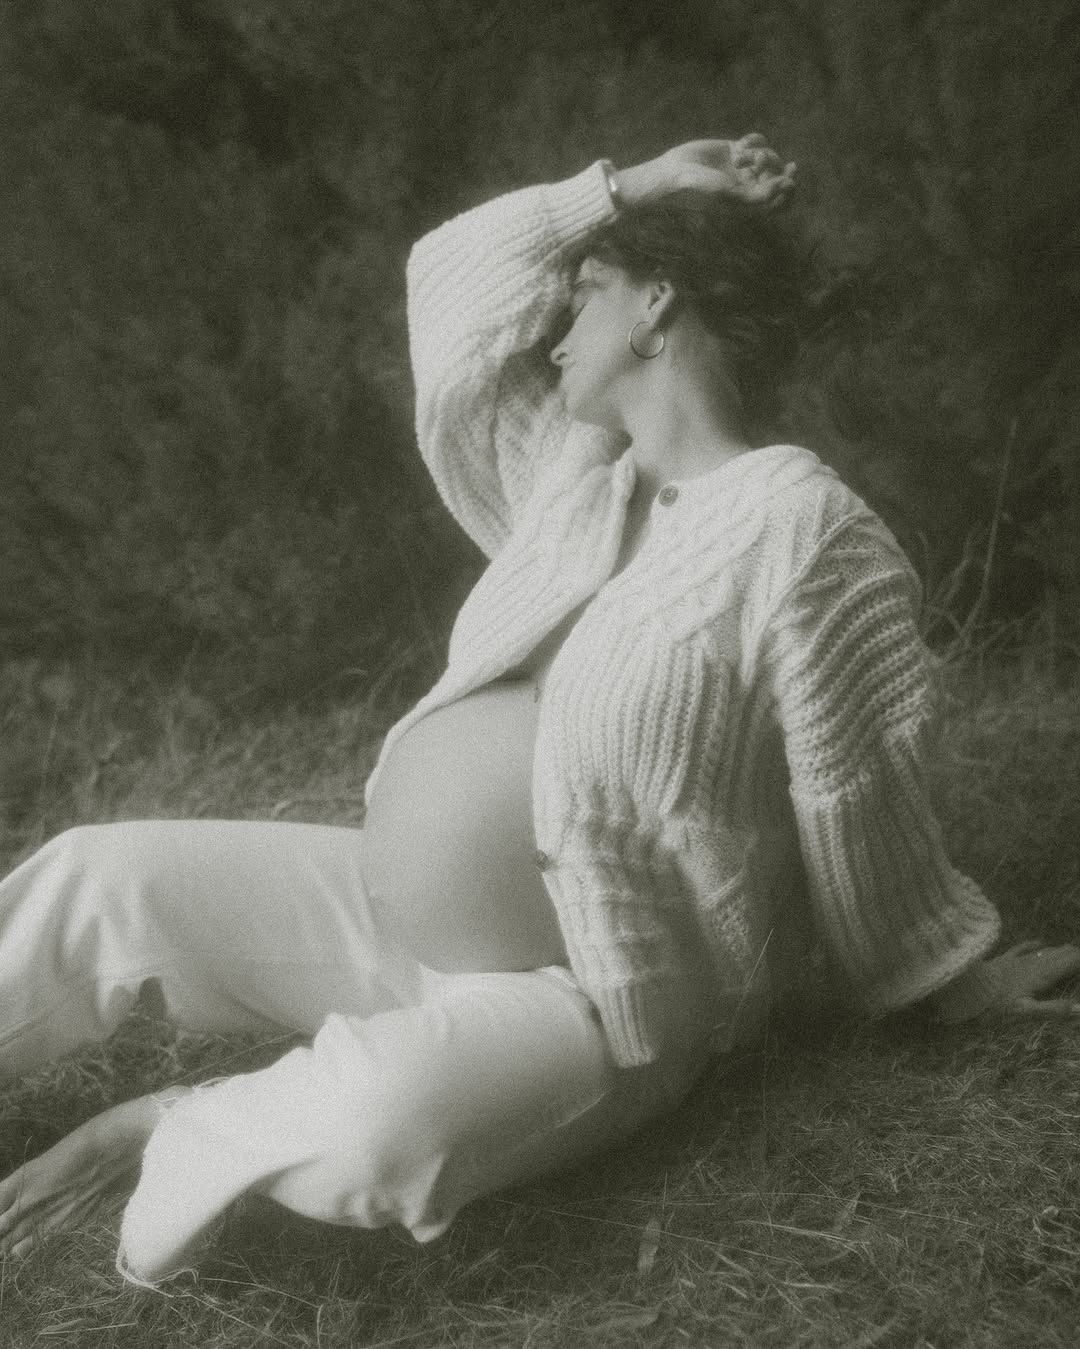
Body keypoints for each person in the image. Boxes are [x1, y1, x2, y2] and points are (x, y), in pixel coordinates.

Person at [2, 135, 1078, 1287]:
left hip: (595, 996)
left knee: (379, 1124)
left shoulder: (804, 528)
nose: (557, 335)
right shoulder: (569, 480)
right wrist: (631, 188)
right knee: (99, 874)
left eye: (587, 296)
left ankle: (174, 1123)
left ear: (658, 302)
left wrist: (943, 977)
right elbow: (447, 282)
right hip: (391, 922)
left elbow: (854, 787)